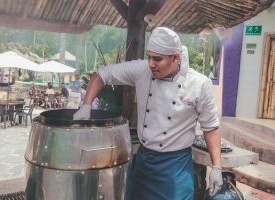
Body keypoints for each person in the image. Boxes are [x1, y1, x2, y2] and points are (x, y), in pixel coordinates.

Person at [73, 27, 222, 200]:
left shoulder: (199, 84)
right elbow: (101, 74)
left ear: (175, 57)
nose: (151, 64)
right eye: (149, 57)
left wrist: (216, 167)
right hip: (145, 162)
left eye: (157, 59)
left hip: (176, 167)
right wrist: (86, 105)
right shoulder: (142, 70)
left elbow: (210, 127)